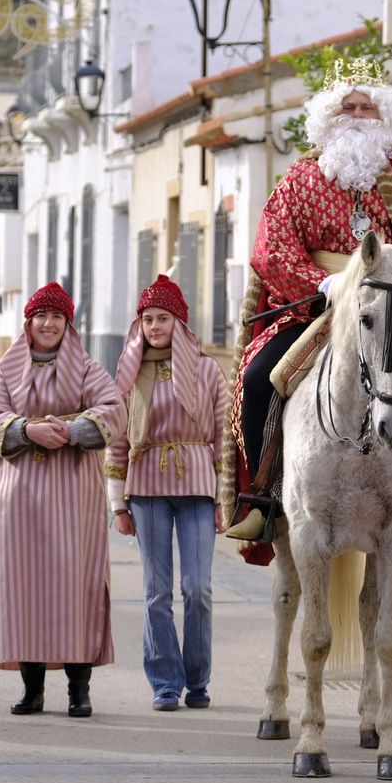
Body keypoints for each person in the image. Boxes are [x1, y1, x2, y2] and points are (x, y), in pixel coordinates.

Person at [225, 57, 392, 544]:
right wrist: (322, 283)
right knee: (259, 380)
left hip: (385, 313)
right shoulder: (299, 180)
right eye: (348, 107)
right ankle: (264, 499)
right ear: (328, 117)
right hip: (315, 308)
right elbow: (270, 248)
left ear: (384, 118)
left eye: (368, 108)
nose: (358, 115)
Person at [0, 282, 126, 717]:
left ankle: (79, 690)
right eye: (41, 316)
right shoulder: (3, 369)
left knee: (76, 584)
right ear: (28, 323)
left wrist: (73, 431)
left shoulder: (86, 367)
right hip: (18, 491)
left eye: (57, 317)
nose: (48, 324)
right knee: (23, 586)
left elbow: (112, 407)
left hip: (73, 489)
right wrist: (27, 430)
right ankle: (32, 688)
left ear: (67, 324)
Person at [105, 276, 229, 711]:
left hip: (197, 484)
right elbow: (117, 440)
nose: (154, 327)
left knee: (198, 588)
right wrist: (118, 504)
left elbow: (224, 439)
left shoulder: (208, 369)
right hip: (146, 487)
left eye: (162, 318)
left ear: (179, 322)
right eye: (148, 320)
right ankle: (164, 682)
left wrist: (223, 499)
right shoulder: (128, 373)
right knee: (156, 591)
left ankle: (197, 680)